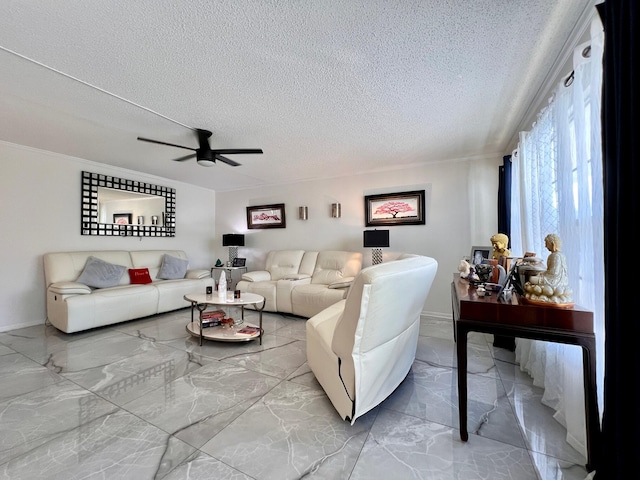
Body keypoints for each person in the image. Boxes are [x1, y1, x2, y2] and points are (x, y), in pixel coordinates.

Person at [523, 233, 573, 304]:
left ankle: (547, 294)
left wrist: (542, 275)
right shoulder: (562, 255)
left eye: (547, 243)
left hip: (553, 280)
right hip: (562, 282)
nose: (545, 246)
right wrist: (542, 273)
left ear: (552, 244)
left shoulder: (554, 256)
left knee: (531, 278)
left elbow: (553, 273)